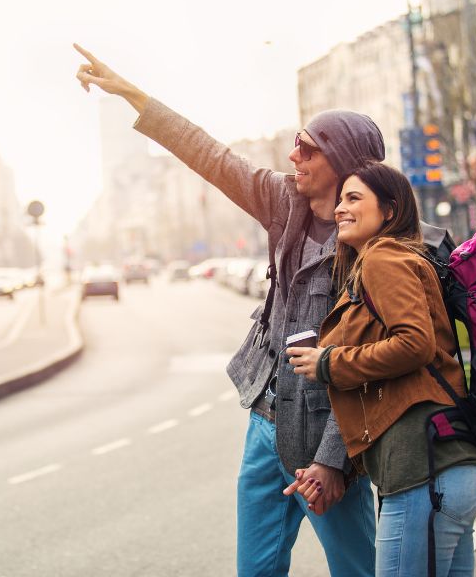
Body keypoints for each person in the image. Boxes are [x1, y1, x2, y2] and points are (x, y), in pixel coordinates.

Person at [74, 43, 379, 576]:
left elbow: (366, 367)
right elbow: (210, 155)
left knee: (358, 568)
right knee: (255, 570)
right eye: (295, 144)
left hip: (328, 438)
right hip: (265, 422)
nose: (293, 157)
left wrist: (333, 461)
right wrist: (131, 95)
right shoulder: (284, 203)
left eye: (307, 148)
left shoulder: (375, 248)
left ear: (344, 161)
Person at [287, 162, 476, 576]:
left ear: (390, 211)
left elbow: (415, 344)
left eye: (354, 198)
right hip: (446, 468)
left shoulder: (384, 257)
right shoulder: (396, 258)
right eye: (341, 199)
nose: (340, 208)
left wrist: (328, 361)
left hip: (425, 473)